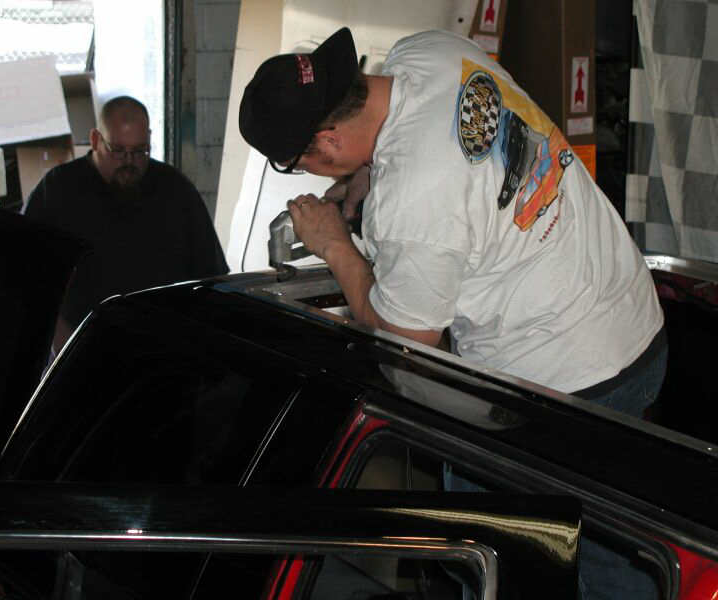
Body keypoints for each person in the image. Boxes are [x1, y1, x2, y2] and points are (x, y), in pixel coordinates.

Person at [239, 28, 666, 418]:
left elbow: (406, 341)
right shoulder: (430, 50)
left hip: (566, 389)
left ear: (329, 141)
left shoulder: (412, 204)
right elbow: (454, 142)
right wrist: (373, 169)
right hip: (637, 321)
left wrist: (335, 246)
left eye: (297, 165)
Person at [26, 96, 228, 352]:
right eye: (118, 151)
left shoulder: (175, 190)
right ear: (96, 140)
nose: (129, 162)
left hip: (164, 346)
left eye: (140, 151)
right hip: (82, 347)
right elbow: (30, 278)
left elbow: (211, 278)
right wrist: (64, 348)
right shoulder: (57, 190)